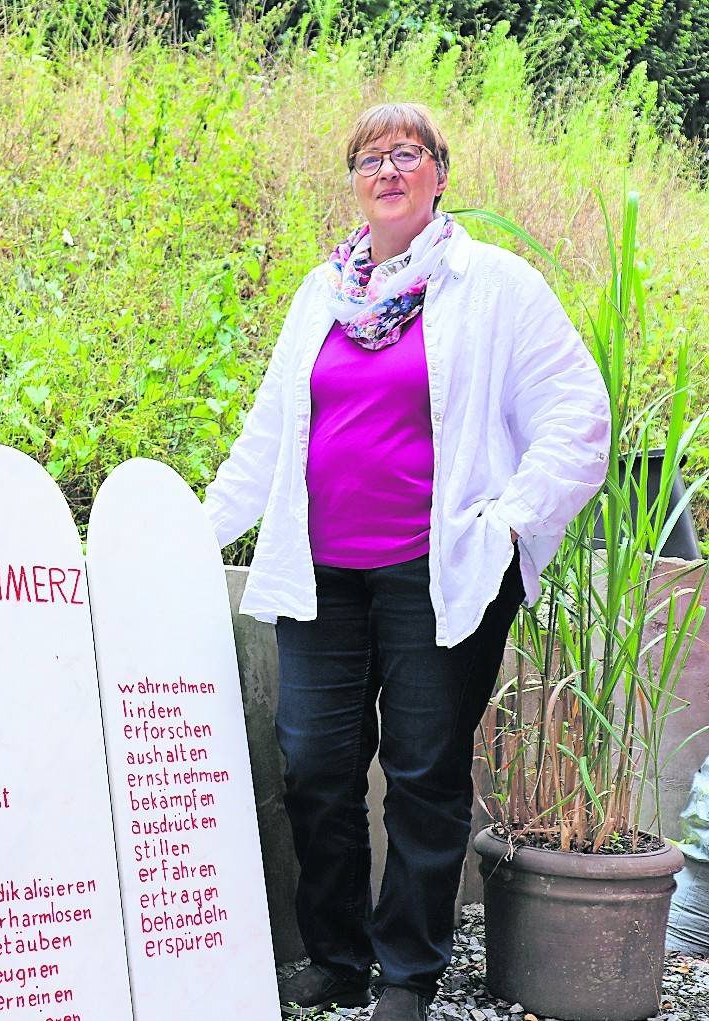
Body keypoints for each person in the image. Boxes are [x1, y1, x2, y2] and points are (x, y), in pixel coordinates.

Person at [203, 103, 609, 1021]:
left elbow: (576, 414)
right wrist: (187, 538)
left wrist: (508, 519)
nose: (387, 170)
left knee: (424, 772)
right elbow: (266, 437)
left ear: (438, 174)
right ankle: (337, 956)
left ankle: (408, 973)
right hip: (321, 575)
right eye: (368, 157)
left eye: (407, 154)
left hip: (443, 574)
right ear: (352, 180)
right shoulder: (321, 294)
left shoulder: (494, 286)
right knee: (312, 763)